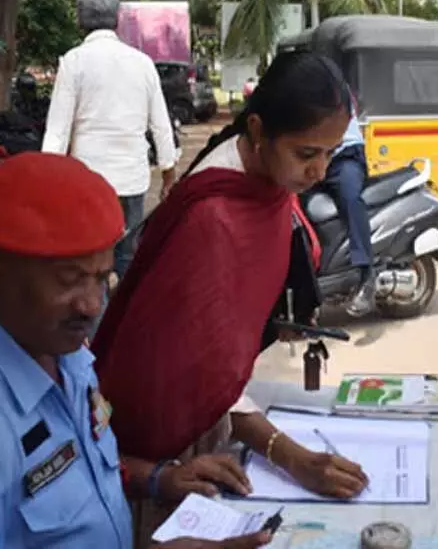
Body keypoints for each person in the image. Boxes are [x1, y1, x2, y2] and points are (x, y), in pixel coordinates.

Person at [0, 152, 269, 549]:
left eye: (100, 277)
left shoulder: (59, 347)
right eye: (69, 279)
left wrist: (158, 478)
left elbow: (75, 465)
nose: (91, 305)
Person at [91, 51, 370, 539]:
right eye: (307, 154)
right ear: (258, 132)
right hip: (165, 457)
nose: (320, 172)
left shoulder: (265, 187)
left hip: (208, 434)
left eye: (331, 153)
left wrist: (288, 454)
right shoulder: (214, 218)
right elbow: (187, 373)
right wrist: (288, 454)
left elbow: (217, 364)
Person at [43, 0, 178, 282]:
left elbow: (58, 132)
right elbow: (160, 124)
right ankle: (124, 324)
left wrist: (47, 181)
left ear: (80, 21)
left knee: (90, 263)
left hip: (87, 182)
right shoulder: (142, 64)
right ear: (117, 19)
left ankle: (99, 325)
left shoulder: (73, 62)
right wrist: (169, 174)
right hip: (131, 179)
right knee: (127, 257)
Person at [322, 98, 375, 315]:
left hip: (344, 157)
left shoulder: (333, 88)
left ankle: (366, 275)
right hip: (314, 157)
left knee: (351, 199)